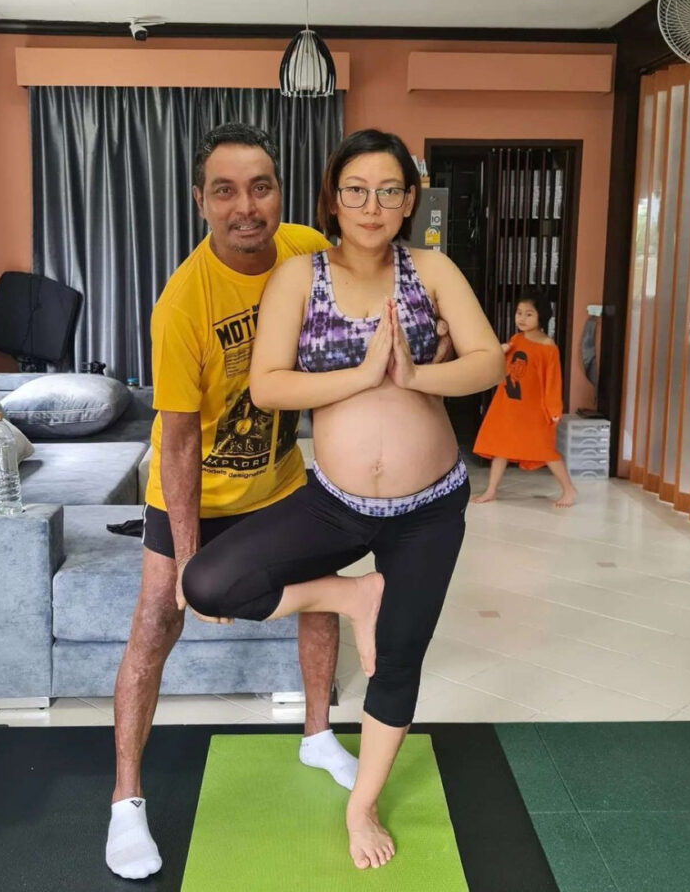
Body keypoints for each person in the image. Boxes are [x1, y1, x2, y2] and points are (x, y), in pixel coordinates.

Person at [180, 128, 505, 870]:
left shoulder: (431, 269)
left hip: (428, 509)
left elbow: (488, 361)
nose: (371, 205)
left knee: (398, 659)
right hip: (334, 502)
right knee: (209, 584)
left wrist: (416, 376)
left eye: (388, 191)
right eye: (355, 190)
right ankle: (355, 595)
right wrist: (363, 374)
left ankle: (363, 805)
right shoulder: (300, 276)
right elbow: (268, 385)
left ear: (409, 200)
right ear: (333, 198)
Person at [106, 123, 356, 880]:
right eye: (225, 191)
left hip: (277, 478)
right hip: (192, 489)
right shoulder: (183, 303)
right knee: (156, 622)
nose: (245, 207)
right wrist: (189, 561)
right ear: (200, 202)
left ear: (279, 193)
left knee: (320, 599)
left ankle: (318, 735)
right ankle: (125, 800)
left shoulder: (305, 249)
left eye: (260, 187)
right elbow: (178, 444)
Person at [472, 289, 578, 507]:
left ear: (541, 316)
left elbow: (553, 381)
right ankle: (491, 490)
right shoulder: (516, 340)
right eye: (519, 313)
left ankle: (569, 489)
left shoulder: (548, 347)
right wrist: (500, 352)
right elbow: (503, 370)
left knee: (545, 450)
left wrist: (554, 409)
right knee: (500, 447)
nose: (521, 318)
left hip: (534, 410)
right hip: (508, 405)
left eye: (529, 314)